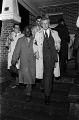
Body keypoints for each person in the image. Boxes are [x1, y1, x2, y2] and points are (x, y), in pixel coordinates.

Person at [34, 16, 61, 105]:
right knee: (47, 76)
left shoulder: (55, 32)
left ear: (49, 24)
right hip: (43, 58)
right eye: (43, 23)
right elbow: (34, 44)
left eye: (47, 23)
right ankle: (47, 92)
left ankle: (47, 92)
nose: (45, 25)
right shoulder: (38, 34)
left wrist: (57, 45)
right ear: (41, 24)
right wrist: (36, 52)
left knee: (48, 76)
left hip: (52, 57)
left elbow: (58, 41)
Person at [11, 26, 36, 101]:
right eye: (26, 31)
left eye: (29, 31)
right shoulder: (20, 40)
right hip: (24, 62)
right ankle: (28, 91)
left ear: (30, 32)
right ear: (24, 32)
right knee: (26, 77)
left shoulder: (34, 39)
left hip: (33, 62)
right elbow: (16, 51)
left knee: (30, 77)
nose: (27, 32)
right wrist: (13, 61)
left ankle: (28, 92)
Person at [5, 23, 24, 88]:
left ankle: (19, 83)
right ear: (13, 28)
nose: (17, 29)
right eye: (16, 28)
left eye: (18, 28)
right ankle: (17, 83)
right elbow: (7, 46)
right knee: (13, 69)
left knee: (19, 69)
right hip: (11, 55)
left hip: (19, 55)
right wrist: (9, 40)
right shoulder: (10, 35)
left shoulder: (22, 35)